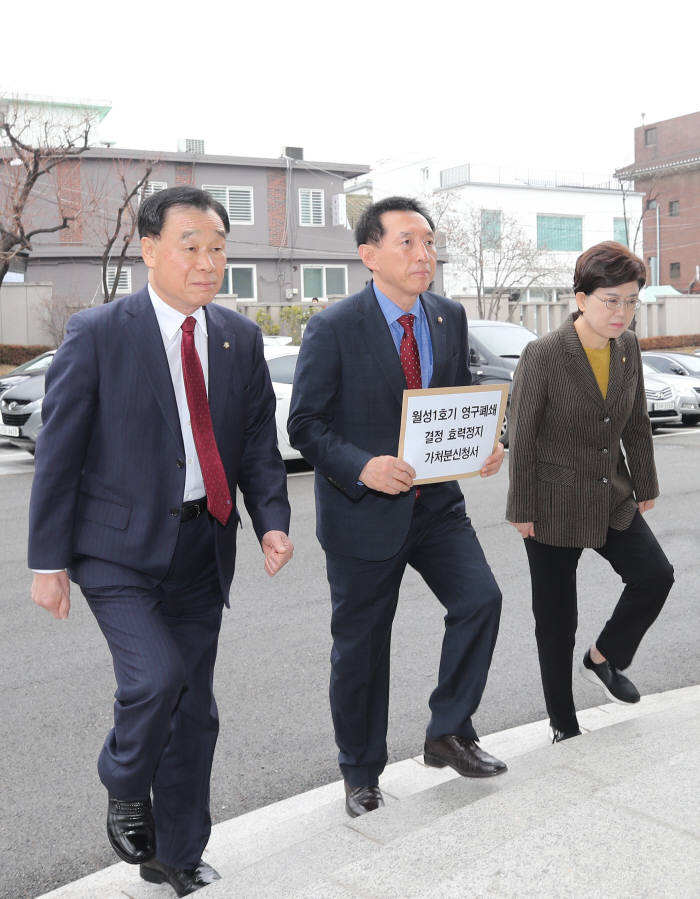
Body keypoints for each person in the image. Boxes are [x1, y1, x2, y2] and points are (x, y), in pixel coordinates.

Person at [28, 186, 293, 896]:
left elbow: (258, 446)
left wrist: (271, 520)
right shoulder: (99, 331)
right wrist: (48, 561)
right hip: (114, 549)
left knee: (194, 711)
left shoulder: (236, 340)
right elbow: (59, 453)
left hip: (201, 548)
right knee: (155, 678)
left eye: (218, 249)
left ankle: (176, 854)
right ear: (149, 250)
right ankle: (122, 779)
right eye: (191, 246)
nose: (208, 262)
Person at [287, 196, 507, 819]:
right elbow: (305, 423)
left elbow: (456, 399)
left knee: (480, 600)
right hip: (362, 513)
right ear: (369, 254)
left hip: (437, 504)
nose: (423, 254)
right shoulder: (333, 327)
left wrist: (482, 444)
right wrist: (362, 465)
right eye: (407, 242)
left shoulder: (448, 316)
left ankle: (449, 730)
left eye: (429, 243)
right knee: (361, 648)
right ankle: (360, 772)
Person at [506, 241, 674, 743]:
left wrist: (645, 483)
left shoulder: (628, 349)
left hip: (612, 495)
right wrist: (521, 508)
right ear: (580, 298)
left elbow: (637, 424)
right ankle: (564, 724)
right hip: (552, 504)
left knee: (655, 577)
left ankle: (604, 658)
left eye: (630, 300)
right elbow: (523, 435)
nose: (621, 312)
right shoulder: (544, 354)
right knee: (556, 622)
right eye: (610, 300)